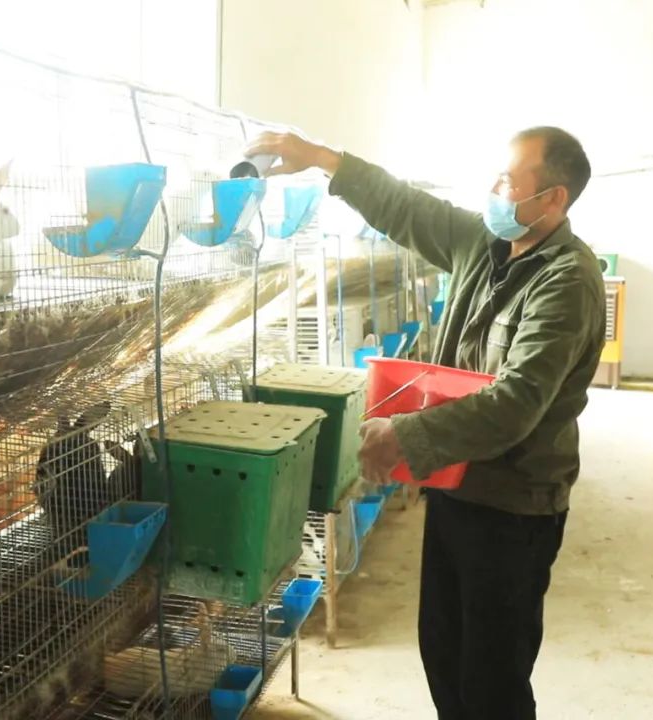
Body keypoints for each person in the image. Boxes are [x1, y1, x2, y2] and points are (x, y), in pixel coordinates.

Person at [245, 127, 605, 720]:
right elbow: (404, 206)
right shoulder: (481, 243)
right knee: (443, 654)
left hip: (515, 505)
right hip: (456, 485)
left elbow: (517, 402)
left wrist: (405, 435)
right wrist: (319, 158)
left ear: (553, 198)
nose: (494, 190)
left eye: (508, 181)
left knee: (492, 680)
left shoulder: (567, 281)